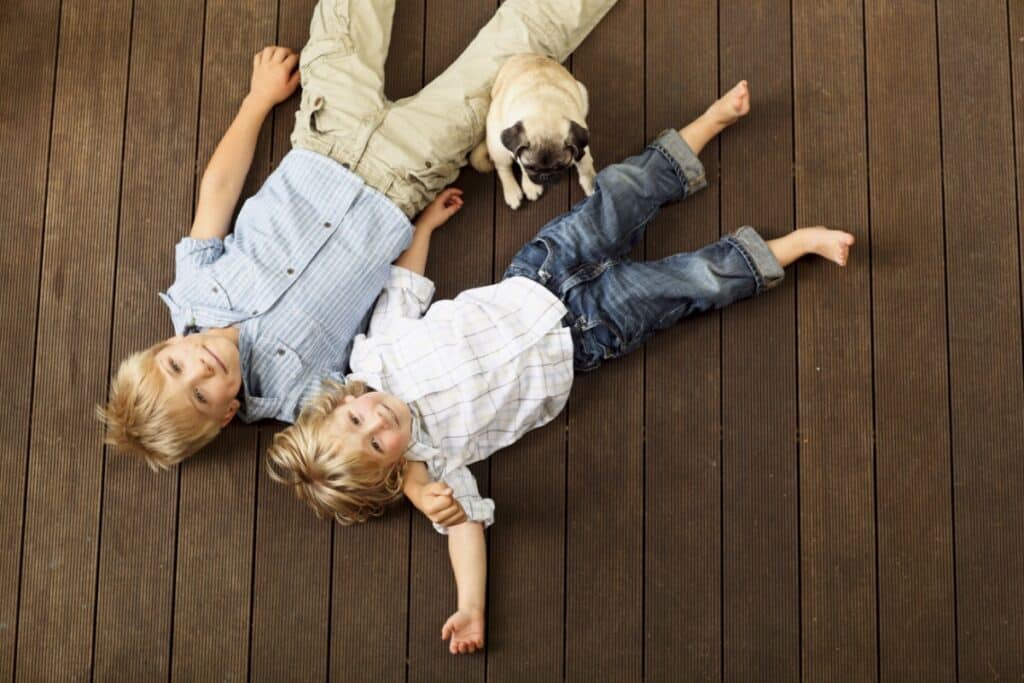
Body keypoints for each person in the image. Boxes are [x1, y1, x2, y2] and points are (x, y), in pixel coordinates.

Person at [263, 81, 856, 654]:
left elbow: (406, 285)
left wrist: (425, 228)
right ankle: (793, 245)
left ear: (342, 400)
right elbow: (465, 526)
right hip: (586, 334)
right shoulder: (436, 461)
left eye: (356, 419)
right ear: (393, 469)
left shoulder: (376, 354)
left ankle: (706, 126)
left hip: (540, 273)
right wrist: (471, 605)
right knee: (686, 284)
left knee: (620, 193)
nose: (377, 420)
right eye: (376, 443)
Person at [96, 0, 618, 470]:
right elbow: (377, 432)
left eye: (176, 365)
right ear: (230, 412)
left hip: (326, 131)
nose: (201, 370)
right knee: (517, 49)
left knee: (345, 17)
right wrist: (423, 230)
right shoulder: (300, 396)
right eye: (202, 396)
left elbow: (219, 191)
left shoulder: (191, 289)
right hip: (408, 173)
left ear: (165, 344)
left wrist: (257, 101)